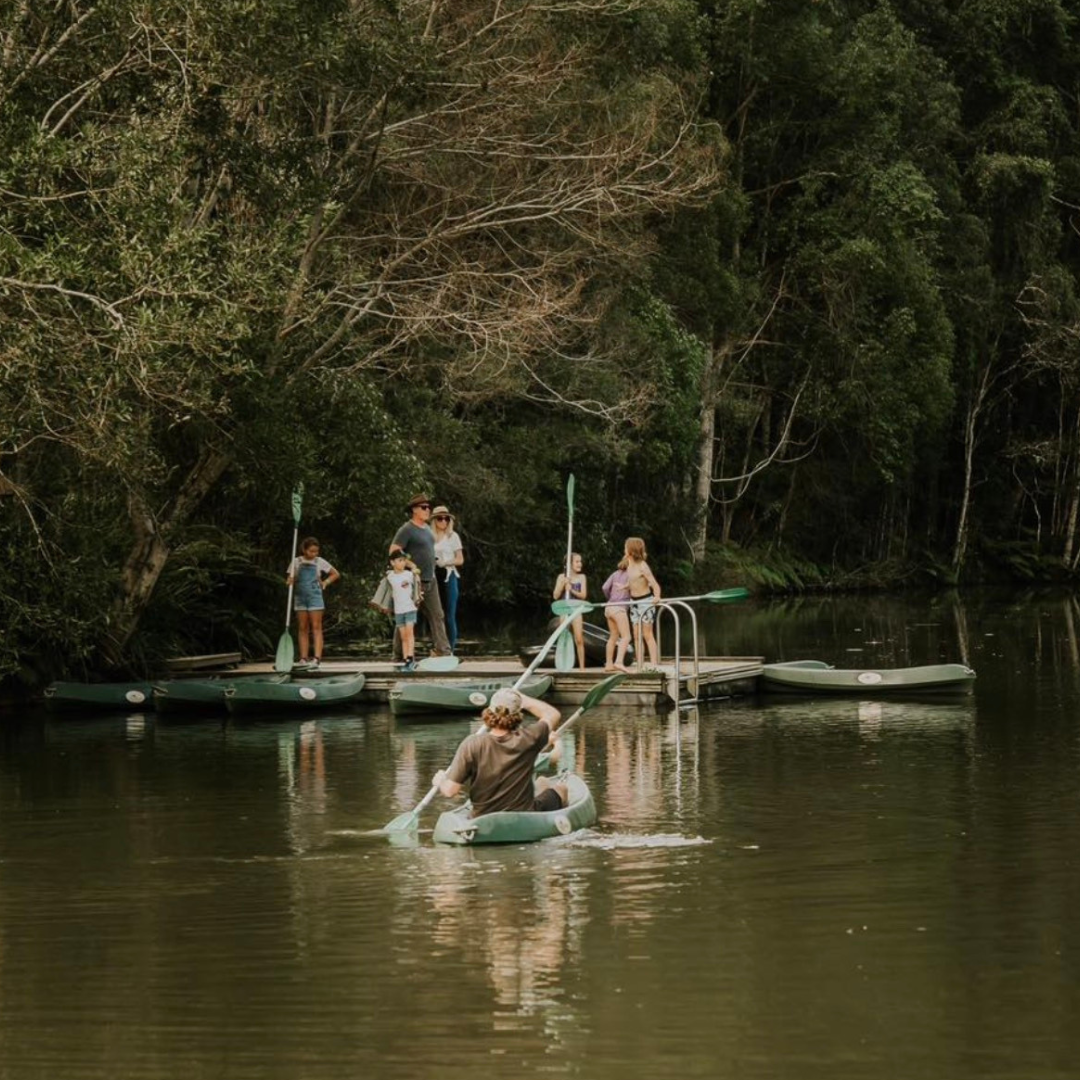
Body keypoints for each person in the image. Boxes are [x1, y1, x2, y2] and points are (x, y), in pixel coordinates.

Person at [433, 689, 567, 816]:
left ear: (488, 713)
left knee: (542, 783)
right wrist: (524, 699)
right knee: (561, 789)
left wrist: (440, 781)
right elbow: (553, 714)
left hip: (483, 816)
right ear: (518, 715)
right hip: (523, 814)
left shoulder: (472, 744)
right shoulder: (529, 737)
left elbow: (450, 791)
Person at [389, 493, 452, 658]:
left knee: (438, 615)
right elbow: (393, 551)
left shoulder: (427, 530)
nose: (427, 510)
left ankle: (443, 651)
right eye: (424, 508)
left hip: (430, 579)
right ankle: (398, 653)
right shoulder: (406, 529)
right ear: (414, 510)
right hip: (413, 582)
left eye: (428, 507)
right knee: (406, 617)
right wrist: (410, 565)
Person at [285, 537, 340, 669]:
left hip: (315, 597)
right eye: (311, 551)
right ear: (304, 549)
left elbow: (335, 574)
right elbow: (288, 580)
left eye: (316, 551)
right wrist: (290, 581)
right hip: (300, 598)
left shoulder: (319, 561)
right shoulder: (296, 562)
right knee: (303, 628)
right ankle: (303, 658)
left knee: (316, 627)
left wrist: (325, 582)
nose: (314, 554)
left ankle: (316, 658)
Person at [624, 536, 661, 668]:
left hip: (645, 602)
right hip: (633, 603)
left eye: (626, 547)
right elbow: (633, 582)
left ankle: (654, 664)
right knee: (636, 635)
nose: (624, 550)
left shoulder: (643, 566)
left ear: (631, 550)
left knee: (647, 634)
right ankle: (640, 664)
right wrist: (625, 587)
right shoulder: (629, 565)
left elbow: (655, 585)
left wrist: (656, 596)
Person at [431, 505, 464, 653]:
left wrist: (446, 562)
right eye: (440, 518)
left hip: (449, 575)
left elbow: (460, 559)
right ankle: (438, 647)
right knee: (436, 615)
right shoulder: (428, 536)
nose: (443, 521)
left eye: (446, 518)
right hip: (433, 576)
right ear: (434, 520)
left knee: (450, 614)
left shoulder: (453, 536)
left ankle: (451, 649)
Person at [387, 550, 421, 671]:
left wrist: (415, 572)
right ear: (392, 562)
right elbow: (386, 590)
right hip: (398, 610)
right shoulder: (390, 576)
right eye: (399, 560)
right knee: (403, 636)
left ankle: (410, 659)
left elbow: (417, 587)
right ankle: (406, 659)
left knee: (409, 633)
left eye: (403, 560)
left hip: (410, 608)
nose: (402, 563)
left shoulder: (409, 575)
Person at [552, 552, 588, 668]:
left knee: (579, 639)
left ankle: (582, 668)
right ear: (569, 564)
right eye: (577, 562)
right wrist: (562, 586)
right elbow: (556, 596)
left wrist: (571, 589)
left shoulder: (581, 577)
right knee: (564, 637)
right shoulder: (561, 577)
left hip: (576, 610)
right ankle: (563, 665)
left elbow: (583, 595)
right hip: (564, 610)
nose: (580, 564)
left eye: (580, 561)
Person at [601, 558, 632, 673]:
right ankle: (619, 662)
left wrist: (610, 598)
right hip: (619, 608)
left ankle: (609, 664)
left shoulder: (615, 574)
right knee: (626, 637)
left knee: (613, 636)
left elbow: (604, 587)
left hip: (609, 607)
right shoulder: (631, 575)